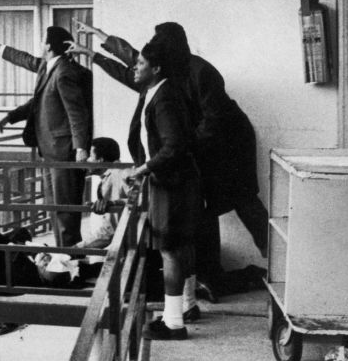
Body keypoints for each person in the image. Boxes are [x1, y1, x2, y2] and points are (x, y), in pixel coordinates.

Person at [72, 20, 270, 297]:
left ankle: (277, 263)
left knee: (245, 202)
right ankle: (207, 276)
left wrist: (178, 147)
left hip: (230, 146)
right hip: (197, 146)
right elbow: (136, 63)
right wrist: (99, 44)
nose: (144, 62)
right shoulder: (167, 66)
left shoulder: (202, 72)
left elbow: (213, 122)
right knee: (203, 210)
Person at [125, 37, 204, 340]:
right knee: (179, 247)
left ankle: (173, 323)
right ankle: (184, 308)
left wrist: (143, 169)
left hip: (172, 184)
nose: (135, 67)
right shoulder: (159, 90)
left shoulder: (165, 97)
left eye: (141, 63)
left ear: (156, 68)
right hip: (176, 182)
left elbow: (174, 146)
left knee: (169, 250)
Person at [0, 26, 93, 246]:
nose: (40, 44)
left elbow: (77, 113)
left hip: (63, 151)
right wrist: (10, 117)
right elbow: (28, 64)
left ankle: (71, 259)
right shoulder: (49, 67)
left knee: (64, 209)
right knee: (54, 207)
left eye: (43, 40)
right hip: (49, 149)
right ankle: (63, 256)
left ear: (48, 46)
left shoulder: (64, 72)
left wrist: (81, 147)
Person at [74, 137, 132, 278]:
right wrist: (78, 248)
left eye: (90, 156)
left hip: (135, 244)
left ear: (100, 159)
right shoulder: (109, 177)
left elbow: (141, 198)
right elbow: (107, 232)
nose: (86, 160)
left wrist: (114, 203)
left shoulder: (123, 172)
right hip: (123, 241)